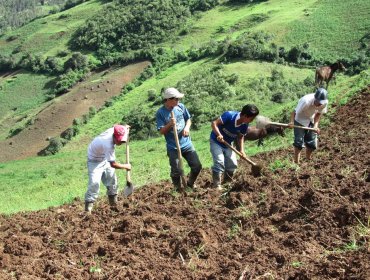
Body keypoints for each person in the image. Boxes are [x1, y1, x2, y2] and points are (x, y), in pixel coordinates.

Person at [156, 87, 202, 190]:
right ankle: (178, 189)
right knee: (176, 171)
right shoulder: (160, 113)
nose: (178, 101)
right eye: (176, 99)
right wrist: (170, 124)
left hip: (186, 144)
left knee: (197, 166)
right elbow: (161, 131)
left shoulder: (181, 107)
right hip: (173, 147)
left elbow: (188, 119)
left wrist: (187, 127)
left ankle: (190, 184)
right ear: (168, 99)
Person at [84, 124, 131, 212]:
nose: (120, 143)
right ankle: (87, 211)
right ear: (114, 137)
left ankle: (113, 205)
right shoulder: (108, 144)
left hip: (105, 157)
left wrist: (126, 128)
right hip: (94, 160)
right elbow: (113, 164)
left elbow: (117, 126)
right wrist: (126, 166)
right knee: (94, 184)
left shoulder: (116, 130)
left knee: (112, 181)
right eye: (119, 141)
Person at [210, 104, 259, 188]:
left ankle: (226, 183)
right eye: (251, 118)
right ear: (245, 116)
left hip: (228, 144)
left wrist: (242, 150)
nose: (252, 120)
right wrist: (219, 134)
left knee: (232, 165)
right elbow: (214, 123)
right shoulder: (229, 115)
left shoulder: (245, 124)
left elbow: (240, 136)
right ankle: (216, 186)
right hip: (216, 141)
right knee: (219, 161)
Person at [289, 87, 328, 164]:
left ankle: (308, 159)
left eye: (321, 102)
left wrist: (315, 126)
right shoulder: (306, 101)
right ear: (315, 98)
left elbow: (318, 115)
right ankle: (297, 163)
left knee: (312, 142)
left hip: (311, 119)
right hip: (299, 119)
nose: (319, 104)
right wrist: (291, 122)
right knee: (299, 142)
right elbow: (293, 112)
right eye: (317, 101)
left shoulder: (324, 103)